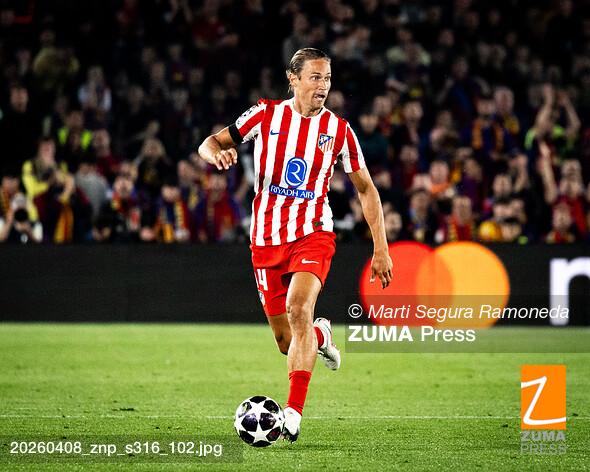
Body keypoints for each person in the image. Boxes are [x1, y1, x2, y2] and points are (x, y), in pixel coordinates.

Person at [198, 48, 392, 442]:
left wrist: (381, 248)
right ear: (294, 79)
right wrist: (217, 155)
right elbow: (209, 143)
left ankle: (293, 413)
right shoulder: (265, 115)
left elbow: (366, 189)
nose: (323, 86)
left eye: (327, 78)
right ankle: (321, 337)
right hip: (265, 240)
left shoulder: (339, 131)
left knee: (298, 308)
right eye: (315, 77)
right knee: (287, 340)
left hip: (312, 233)